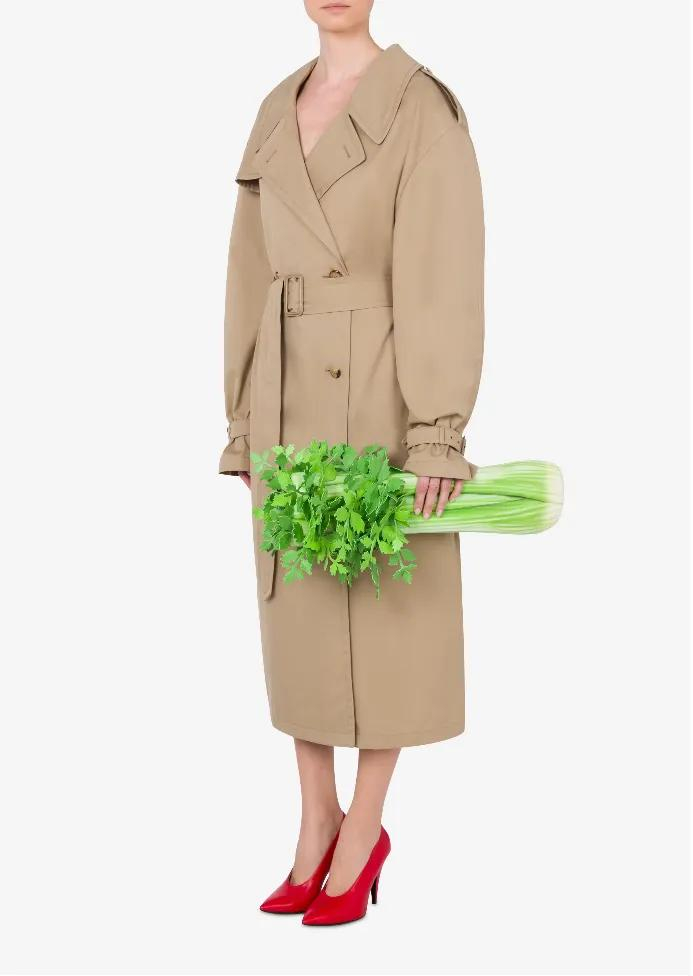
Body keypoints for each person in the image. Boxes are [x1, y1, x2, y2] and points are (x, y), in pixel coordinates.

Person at [219, 0, 484, 925]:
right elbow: (247, 277)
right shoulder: (274, 107)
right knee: (296, 614)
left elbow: (443, 274)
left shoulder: (419, 104)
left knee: (380, 614)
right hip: (286, 399)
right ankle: (316, 822)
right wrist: (243, 420)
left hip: (379, 387)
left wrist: (436, 429)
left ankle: (364, 828)